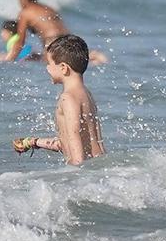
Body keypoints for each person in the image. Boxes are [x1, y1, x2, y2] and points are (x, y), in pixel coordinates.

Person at [12, 35, 105, 165]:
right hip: (98, 165)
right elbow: (68, 142)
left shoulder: (68, 98)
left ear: (63, 68)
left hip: (85, 173)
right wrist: (34, 142)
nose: (47, 68)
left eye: (49, 64)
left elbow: (77, 155)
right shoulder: (86, 94)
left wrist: (75, 176)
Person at [0, 0, 108, 64]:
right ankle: (91, 56)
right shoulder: (48, 8)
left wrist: (8, 60)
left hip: (51, 42)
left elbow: (20, 41)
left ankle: (92, 57)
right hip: (68, 38)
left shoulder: (25, 12)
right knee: (70, 62)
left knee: (49, 64)